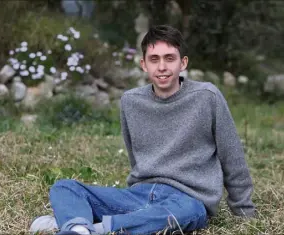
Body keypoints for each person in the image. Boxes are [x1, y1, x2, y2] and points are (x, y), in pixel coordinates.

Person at [30, 25, 256, 235]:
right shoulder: (131, 101)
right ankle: (79, 226)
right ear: (143, 64)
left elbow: (232, 155)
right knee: (65, 187)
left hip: (188, 200)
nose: (162, 67)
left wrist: (244, 211)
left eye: (170, 58)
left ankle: (92, 228)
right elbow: (135, 155)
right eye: (154, 59)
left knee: (183, 214)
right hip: (139, 195)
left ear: (183, 63)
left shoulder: (207, 96)